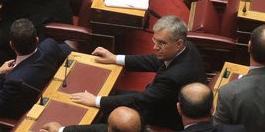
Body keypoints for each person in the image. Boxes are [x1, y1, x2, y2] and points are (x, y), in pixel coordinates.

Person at [69, 16, 207, 130]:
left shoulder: (174, 76)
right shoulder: (187, 47)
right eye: (155, 41)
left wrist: (96, 101)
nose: (155, 47)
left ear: (178, 43)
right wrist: (115, 58)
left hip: (167, 113)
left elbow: (142, 100)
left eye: (162, 43)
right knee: (113, 96)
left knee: (116, 119)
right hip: (159, 97)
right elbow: (153, 61)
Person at [0, 19, 72, 119]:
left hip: (24, 112)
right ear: (37, 40)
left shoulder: (14, 80)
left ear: (11, 45)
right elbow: (68, 51)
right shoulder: (49, 46)